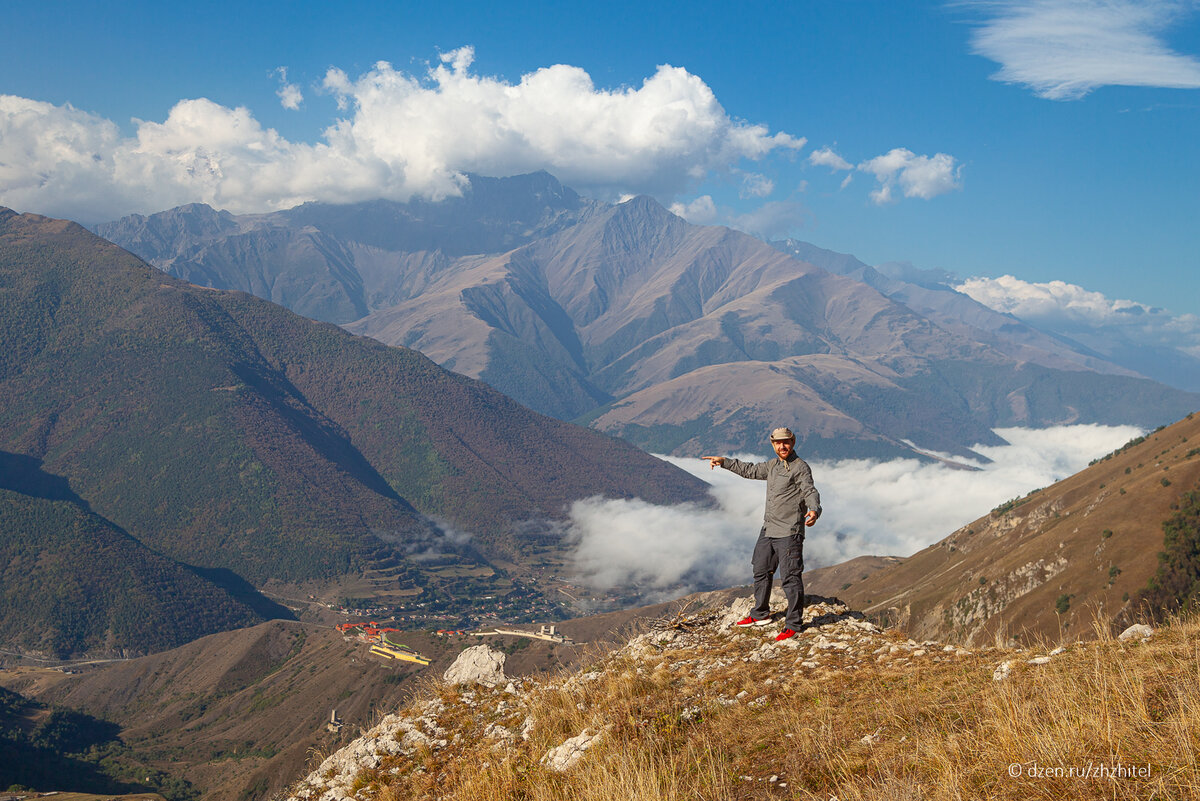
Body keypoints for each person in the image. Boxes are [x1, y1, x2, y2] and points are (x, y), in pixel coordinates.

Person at [703, 427, 821, 641]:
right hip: (769, 529)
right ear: (773, 444)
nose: (782, 446)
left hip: (789, 531)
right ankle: (760, 614)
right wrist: (724, 462)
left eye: (786, 442)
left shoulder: (800, 467)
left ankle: (793, 624)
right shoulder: (772, 466)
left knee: (790, 578)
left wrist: (814, 510)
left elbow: (810, 490)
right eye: (778, 443)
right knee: (760, 568)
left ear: (793, 442)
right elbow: (749, 470)